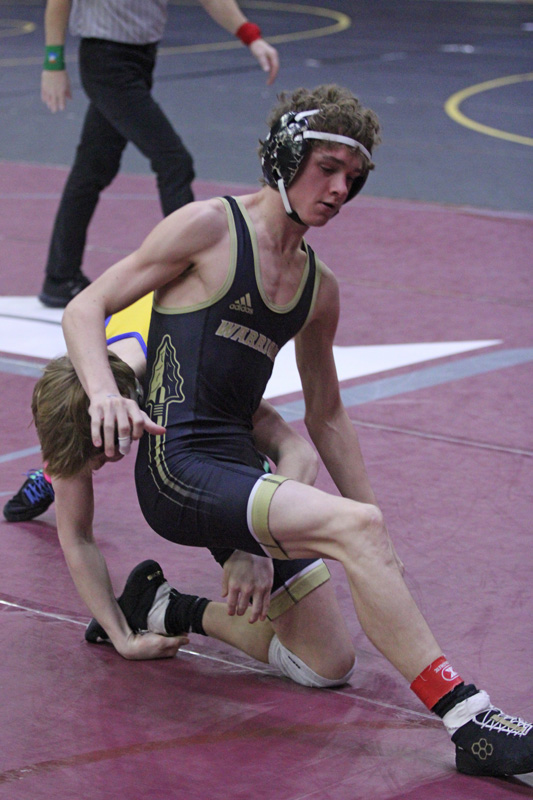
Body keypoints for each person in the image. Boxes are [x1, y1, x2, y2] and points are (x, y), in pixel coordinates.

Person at [62, 83, 533, 778]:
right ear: (284, 157)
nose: (341, 189)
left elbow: (327, 415)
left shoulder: (319, 287)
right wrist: (102, 393)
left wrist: (371, 525)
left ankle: (163, 604)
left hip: (242, 476)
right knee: (354, 529)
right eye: (328, 168)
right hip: (178, 465)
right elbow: (86, 305)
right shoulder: (210, 228)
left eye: (354, 177)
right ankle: (469, 721)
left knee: (324, 665)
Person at [31, 293, 356, 681]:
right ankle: (163, 606)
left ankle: (161, 605)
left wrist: (255, 542)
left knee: (327, 663)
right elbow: (77, 536)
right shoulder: (82, 395)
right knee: (325, 665)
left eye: (99, 456)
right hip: (157, 400)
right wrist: (122, 637)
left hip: (211, 423)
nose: (99, 467)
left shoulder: (191, 371)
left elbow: (297, 451)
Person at [38, 0, 279, 308]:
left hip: (138, 59)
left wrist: (250, 36)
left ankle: (59, 278)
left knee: (92, 169)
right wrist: (53, 62)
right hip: (106, 62)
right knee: (174, 162)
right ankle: (193, 271)